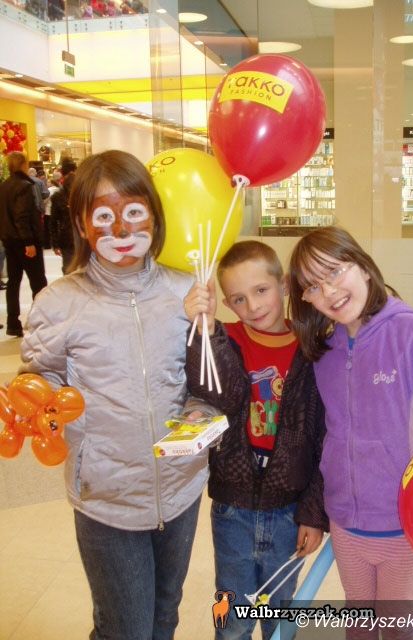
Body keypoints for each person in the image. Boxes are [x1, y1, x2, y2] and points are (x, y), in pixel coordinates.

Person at [19, 149, 214, 640]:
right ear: (82, 226)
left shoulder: (185, 292)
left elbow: (207, 381)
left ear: (155, 215)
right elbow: (39, 383)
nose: (122, 230)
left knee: (164, 616)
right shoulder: (60, 302)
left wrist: (202, 405)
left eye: (134, 212)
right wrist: (39, 406)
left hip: (180, 490)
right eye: (104, 217)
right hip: (106, 497)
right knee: (125, 629)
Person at [288, 226, 413, 636]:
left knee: (395, 624)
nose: (329, 291)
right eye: (314, 287)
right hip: (345, 521)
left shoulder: (410, 333)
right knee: (358, 620)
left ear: (362, 266)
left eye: (335, 271)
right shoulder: (325, 353)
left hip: (401, 521)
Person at [184, 240, 328, 640]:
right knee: (231, 616)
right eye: (238, 299)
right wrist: (205, 330)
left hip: (290, 509)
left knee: (281, 615)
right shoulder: (226, 338)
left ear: (284, 284)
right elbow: (220, 394)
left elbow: (323, 439)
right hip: (233, 506)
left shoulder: (313, 350)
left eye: (261, 290)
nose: (252, 306)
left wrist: (314, 513)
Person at [0, 152, 48, 337]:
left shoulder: (4, 186)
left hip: (9, 240)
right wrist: (29, 242)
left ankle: (13, 322)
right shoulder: (24, 186)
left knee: (13, 282)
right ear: (22, 164)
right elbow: (22, 216)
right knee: (38, 282)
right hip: (25, 241)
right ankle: (40, 321)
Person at [50, 168, 75, 273]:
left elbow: (53, 222)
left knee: (71, 268)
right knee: (69, 268)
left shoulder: (84, 196)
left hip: (72, 238)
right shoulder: (58, 197)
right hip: (69, 238)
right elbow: (53, 222)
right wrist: (55, 244)